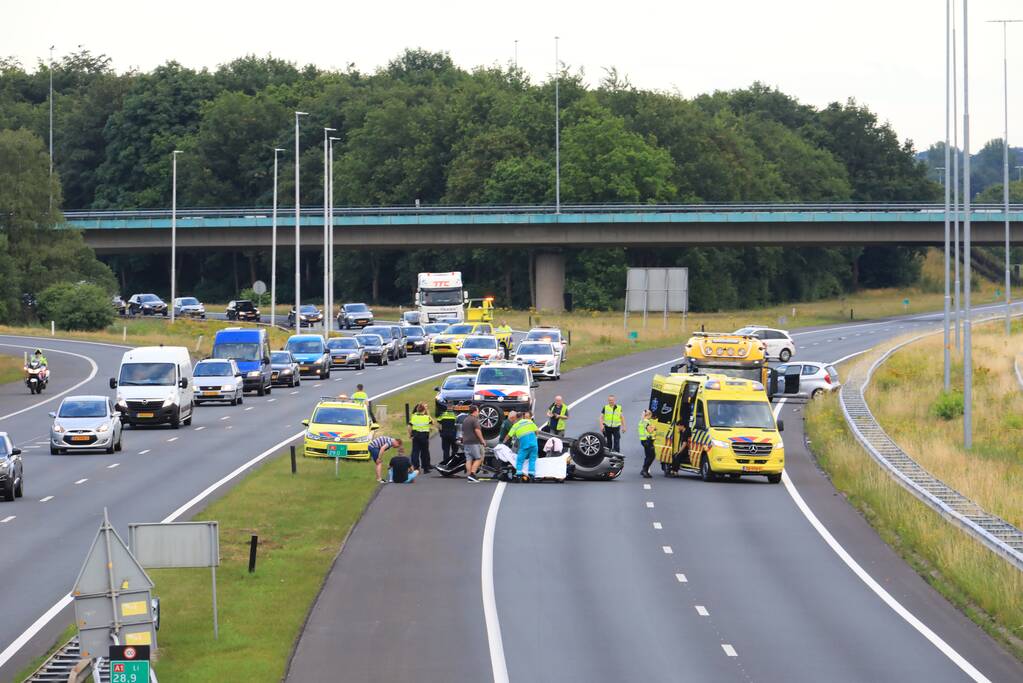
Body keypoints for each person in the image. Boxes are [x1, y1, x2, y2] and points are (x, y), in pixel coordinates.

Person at [505, 411, 539, 481]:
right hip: (534, 445)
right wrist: (534, 436)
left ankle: (519, 475)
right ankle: (531, 475)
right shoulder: (530, 422)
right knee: (532, 460)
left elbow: (509, 435)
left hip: (525, 446)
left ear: (516, 418)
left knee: (520, 460)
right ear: (523, 417)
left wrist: (503, 442)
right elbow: (537, 431)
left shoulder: (516, 425)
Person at [408, 402, 435, 473]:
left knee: (415, 452)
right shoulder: (426, 417)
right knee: (425, 452)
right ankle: (426, 468)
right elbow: (433, 422)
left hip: (416, 436)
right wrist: (428, 414)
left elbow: (409, 426)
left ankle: (416, 467)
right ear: (424, 410)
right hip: (424, 436)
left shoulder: (414, 417)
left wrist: (410, 435)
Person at [461, 404, 485, 482]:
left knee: (469, 459)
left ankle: (469, 475)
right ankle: (472, 474)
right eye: (478, 411)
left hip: (466, 442)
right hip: (473, 442)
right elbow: (477, 430)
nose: (478, 413)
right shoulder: (474, 420)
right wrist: (482, 440)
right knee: (479, 458)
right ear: (475, 411)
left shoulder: (466, 419)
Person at [638, 409, 656, 478]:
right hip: (648, 441)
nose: (651, 416)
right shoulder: (646, 422)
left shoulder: (641, 421)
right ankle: (645, 470)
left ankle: (643, 470)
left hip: (644, 441)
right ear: (648, 415)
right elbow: (650, 431)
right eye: (650, 415)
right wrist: (654, 427)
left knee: (648, 456)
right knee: (651, 456)